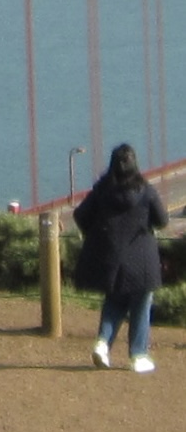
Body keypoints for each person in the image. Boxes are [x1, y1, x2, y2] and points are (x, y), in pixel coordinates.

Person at [74, 142, 169, 373]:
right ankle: (138, 355)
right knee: (141, 305)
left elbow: (80, 215)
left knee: (114, 302)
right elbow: (163, 220)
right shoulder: (146, 191)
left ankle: (102, 344)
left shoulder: (101, 190)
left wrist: (96, 234)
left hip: (111, 259)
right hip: (142, 259)